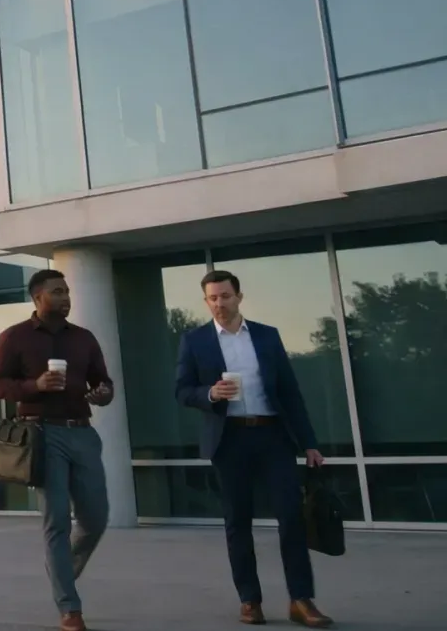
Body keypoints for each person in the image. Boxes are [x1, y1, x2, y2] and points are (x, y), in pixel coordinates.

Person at [176, 269, 335, 628]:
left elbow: (291, 394)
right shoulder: (195, 340)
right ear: (206, 301)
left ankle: (301, 600)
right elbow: (182, 391)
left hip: (272, 436)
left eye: (225, 296)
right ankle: (250, 600)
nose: (219, 303)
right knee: (238, 522)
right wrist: (210, 394)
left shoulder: (266, 336)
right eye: (212, 298)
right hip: (228, 440)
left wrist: (308, 443)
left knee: (292, 518)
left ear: (239, 297)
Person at [0, 268, 116, 631]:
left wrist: (103, 392)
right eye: (57, 292)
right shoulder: (14, 337)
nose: (66, 298)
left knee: (96, 518)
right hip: (43, 435)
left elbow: (103, 381)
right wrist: (35, 384)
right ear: (37, 298)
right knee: (56, 519)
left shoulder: (84, 338)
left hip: (83, 433)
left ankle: (61, 571)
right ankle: (69, 607)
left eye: (67, 291)